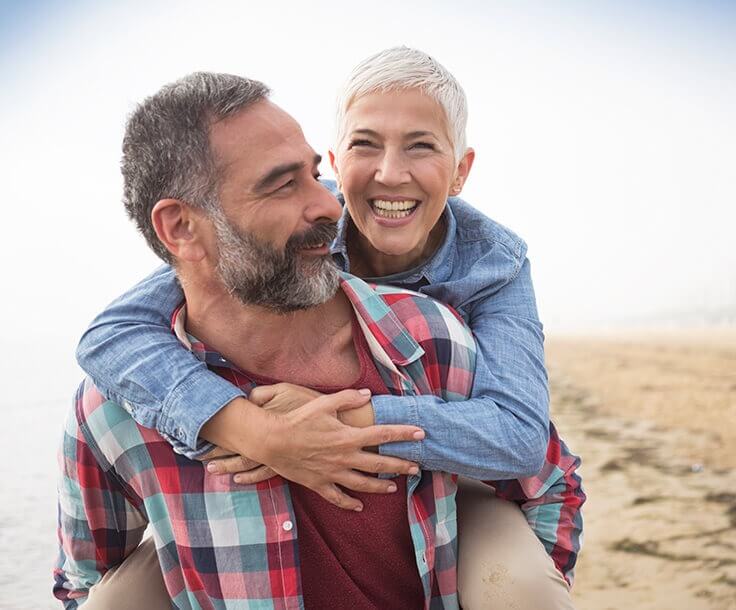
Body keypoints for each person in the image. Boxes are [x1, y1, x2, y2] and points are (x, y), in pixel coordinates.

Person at [74, 49, 584, 608]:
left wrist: (351, 419)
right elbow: (115, 331)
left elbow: (522, 441)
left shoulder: (491, 270)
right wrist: (256, 431)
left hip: (450, 464)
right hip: (235, 506)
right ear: (339, 164)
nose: (390, 173)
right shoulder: (299, 232)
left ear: (461, 170)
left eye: (421, 145)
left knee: (522, 585)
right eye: (366, 145)